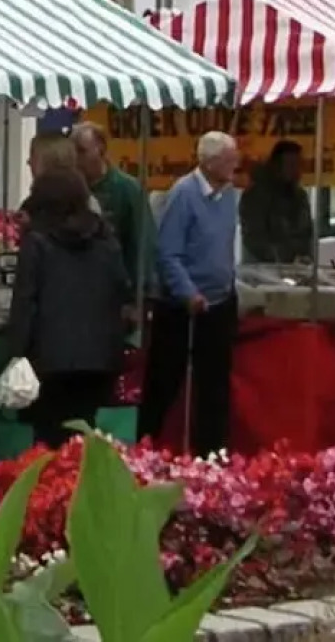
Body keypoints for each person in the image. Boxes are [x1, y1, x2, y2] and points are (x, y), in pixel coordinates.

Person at [6, 168, 132, 446]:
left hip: (48, 360)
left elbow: (25, 303)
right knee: (82, 436)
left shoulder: (37, 242)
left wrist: (16, 352)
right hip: (97, 361)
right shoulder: (106, 240)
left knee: (47, 441)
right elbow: (121, 292)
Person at [139, 131, 240, 456]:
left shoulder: (229, 196)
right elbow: (168, 253)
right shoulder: (183, 194)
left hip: (221, 302)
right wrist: (187, 291)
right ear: (209, 162)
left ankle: (210, 454)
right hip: (183, 307)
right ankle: (147, 447)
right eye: (229, 158)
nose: (235, 164)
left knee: (215, 388)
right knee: (165, 382)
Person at [72, 121, 153, 291]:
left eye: (81, 151)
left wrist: (140, 292)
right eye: (72, 153)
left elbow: (142, 243)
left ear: (100, 149)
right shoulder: (69, 188)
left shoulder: (127, 189)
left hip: (117, 288)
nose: (76, 159)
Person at [238, 140, 314, 264]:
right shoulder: (256, 195)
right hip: (262, 268)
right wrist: (281, 256)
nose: (295, 170)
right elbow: (254, 238)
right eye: (290, 164)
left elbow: (306, 232)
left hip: (296, 267)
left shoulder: (300, 195)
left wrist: (305, 255)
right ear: (277, 166)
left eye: (298, 164)